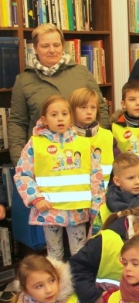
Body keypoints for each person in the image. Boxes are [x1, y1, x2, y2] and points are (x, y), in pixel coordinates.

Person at [14, 95, 104, 260]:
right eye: (54, 115)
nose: (60, 118)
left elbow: (96, 177)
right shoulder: (35, 144)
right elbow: (22, 174)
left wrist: (97, 206)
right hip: (50, 210)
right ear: (44, 119)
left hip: (77, 211)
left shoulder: (84, 144)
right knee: (54, 254)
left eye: (64, 114)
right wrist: (36, 198)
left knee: (79, 252)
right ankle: (56, 285)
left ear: (71, 117)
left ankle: (78, 285)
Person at [8, 23, 109, 166]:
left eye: (56, 45)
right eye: (45, 46)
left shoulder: (81, 73)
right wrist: (20, 162)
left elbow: (101, 109)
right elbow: (18, 123)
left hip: (83, 154)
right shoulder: (23, 80)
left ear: (63, 46)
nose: (52, 50)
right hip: (42, 158)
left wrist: (100, 143)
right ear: (35, 48)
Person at [69, 87, 120, 190]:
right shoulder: (65, 138)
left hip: (104, 195)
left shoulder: (107, 136)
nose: (89, 112)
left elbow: (120, 166)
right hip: (75, 197)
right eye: (83, 107)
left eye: (93, 107)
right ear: (72, 110)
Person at [105, 153, 139, 217]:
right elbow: (98, 226)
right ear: (117, 181)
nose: (138, 182)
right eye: (131, 178)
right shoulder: (106, 203)